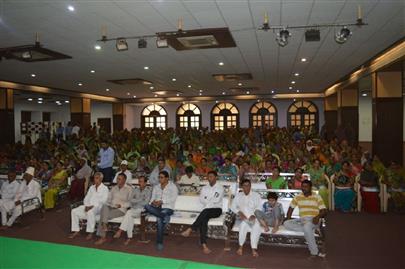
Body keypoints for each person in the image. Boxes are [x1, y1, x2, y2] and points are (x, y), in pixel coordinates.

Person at [181, 170, 224, 254]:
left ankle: (191, 228)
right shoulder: (205, 187)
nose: (209, 178)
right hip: (206, 210)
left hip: (216, 209)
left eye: (211, 176)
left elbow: (216, 200)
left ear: (216, 177)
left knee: (205, 212)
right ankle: (204, 245)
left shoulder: (220, 188)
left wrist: (207, 200)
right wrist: (208, 200)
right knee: (204, 220)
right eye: (208, 177)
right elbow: (201, 199)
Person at [284, 180, 327, 259]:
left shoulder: (317, 196)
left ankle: (314, 252)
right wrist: (288, 218)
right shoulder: (298, 197)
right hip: (302, 220)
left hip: (314, 219)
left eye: (306, 187)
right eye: (302, 187)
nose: (304, 188)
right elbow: (290, 209)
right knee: (286, 224)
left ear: (310, 187)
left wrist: (317, 217)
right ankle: (313, 230)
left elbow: (324, 211)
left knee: (307, 226)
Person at [95, 173, 133, 245]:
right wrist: (109, 204)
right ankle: (105, 225)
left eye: (119, 179)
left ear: (124, 180)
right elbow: (108, 199)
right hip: (111, 207)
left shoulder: (129, 189)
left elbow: (130, 202)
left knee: (103, 214)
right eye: (117, 178)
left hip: (121, 210)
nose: (117, 180)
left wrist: (121, 205)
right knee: (104, 206)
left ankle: (103, 236)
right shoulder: (114, 188)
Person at [144, 171, 178, 251]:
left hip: (168, 208)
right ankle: (164, 217)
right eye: (159, 177)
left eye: (161, 177)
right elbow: (152, 199)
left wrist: (162, 201)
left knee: (159, 219)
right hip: (157, 208)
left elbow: (173, 199)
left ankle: (159, 242)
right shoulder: (156, 187)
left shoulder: (172, 187)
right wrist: (153, 202)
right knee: (146, 206)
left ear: (167, 178)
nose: (159, 179)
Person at [69, 172, 109, 240]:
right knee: (74, 211)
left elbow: (104, 201)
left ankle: (90, 232)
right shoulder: (91, 187)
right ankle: (76, 230)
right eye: (94, 178)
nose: (95, 180)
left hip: (98, 208)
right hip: (88, 206)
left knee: (90, 212)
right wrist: (87, 206)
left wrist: (91, 206)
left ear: (101, 179)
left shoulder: (105, 188)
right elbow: (86, 198)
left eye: (97, 178)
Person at [113, 176, 152, 245]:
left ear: (145, 183)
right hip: (134, 209)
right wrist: (140, 199)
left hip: (142, 211)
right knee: (129, 216)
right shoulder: (135, 190)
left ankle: (120, 231)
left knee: (129, 212)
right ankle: (129, 237)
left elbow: (145, 203)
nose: (139, 183)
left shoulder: (148, 191)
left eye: (141, 181)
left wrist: (135, 201)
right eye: (139, 181)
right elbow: (130, 200)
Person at [230, 179, 262, 257]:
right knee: (243, 226)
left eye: (248, 185)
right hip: (243, 218)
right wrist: (239, 212)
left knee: (256, 227)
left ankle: (253, 249)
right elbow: (232, 206)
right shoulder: (239, 195)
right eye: (244, 186)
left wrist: (254, 215)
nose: (246, 187)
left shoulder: (256, 195)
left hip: (254, 217)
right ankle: (241, 247)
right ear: (242, 187)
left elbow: (259, 207)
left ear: (250, 186)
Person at [250, 192, 284, 256]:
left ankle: (275, 228)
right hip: (267, 220)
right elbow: (263, 214)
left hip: (275, 221)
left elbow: (281, 216)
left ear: (276, 200)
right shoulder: (265, 204)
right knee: (256, 211)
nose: (271, 202)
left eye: (273, 201)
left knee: (276, 208)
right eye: (269, 200)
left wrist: (278, 224)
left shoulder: (279, 205)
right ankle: (265, 227)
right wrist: (264, 221)